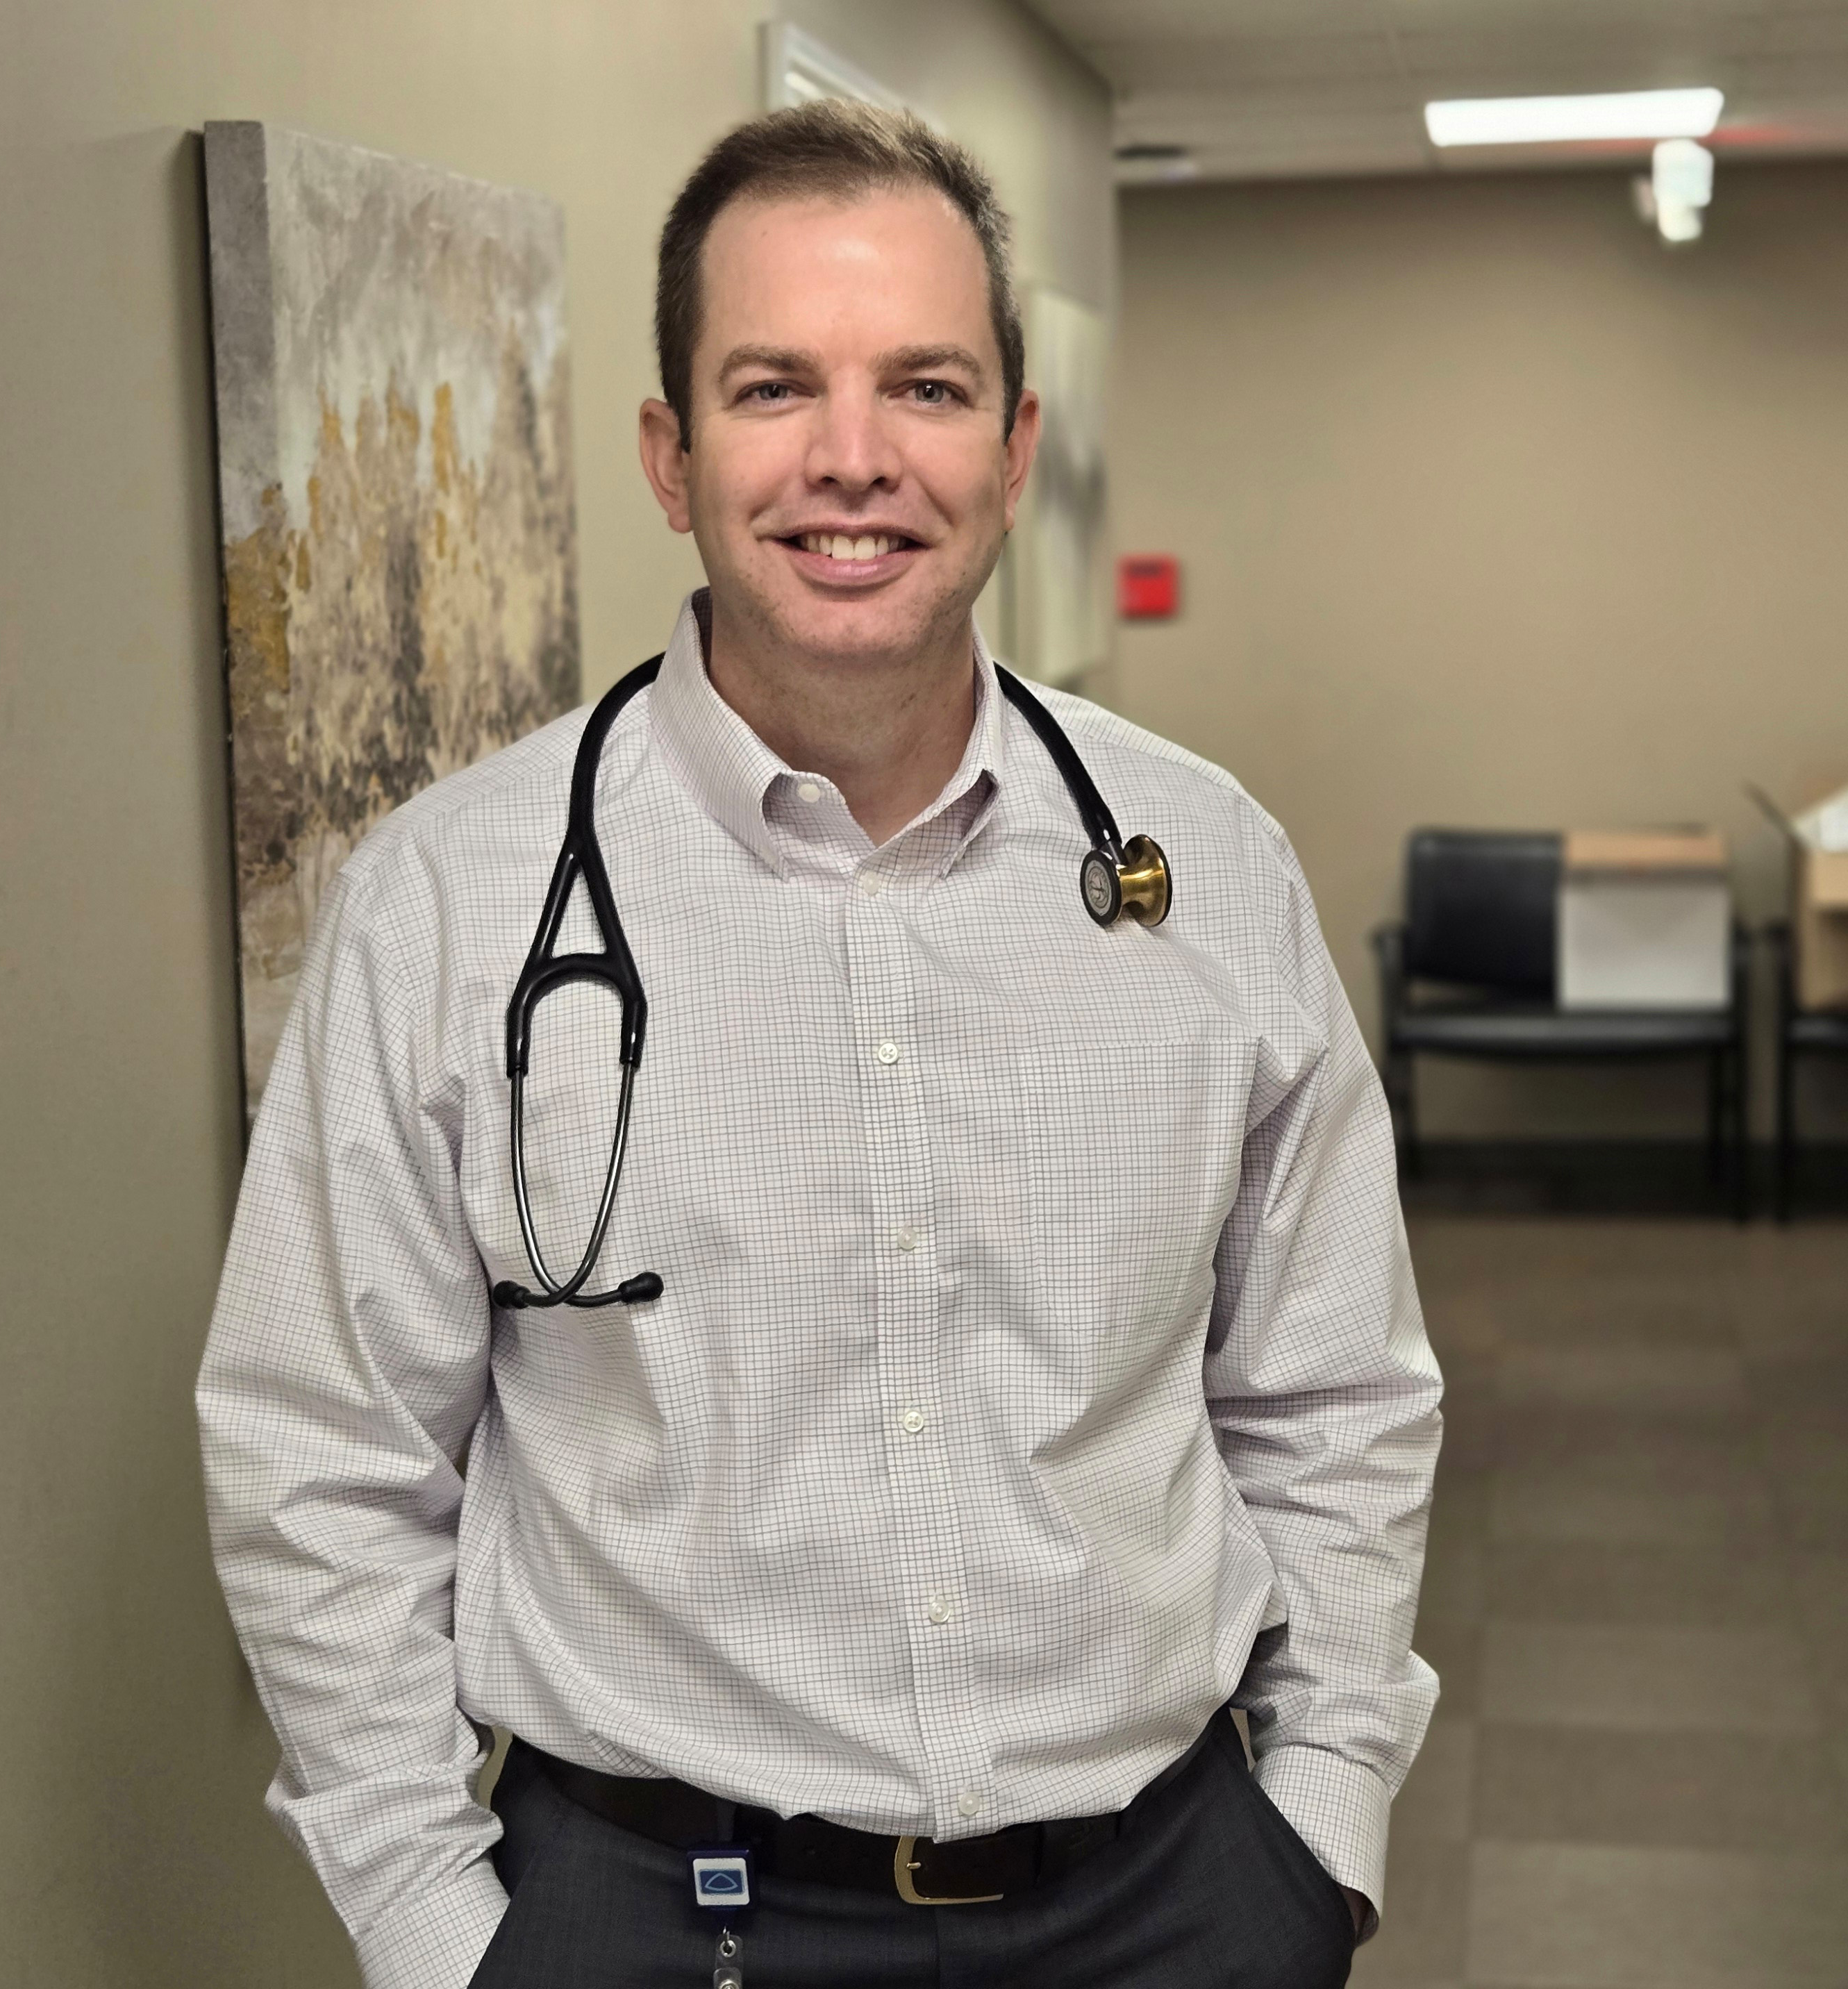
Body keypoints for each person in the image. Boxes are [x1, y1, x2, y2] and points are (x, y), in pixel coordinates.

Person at [199, 100, 1442, 1989]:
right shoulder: (448, 905)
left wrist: (1319, 1827)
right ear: (670, 456)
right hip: (660, 1916)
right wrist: (444, 1930)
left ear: (1014, 449)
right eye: (773, 387)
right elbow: (321, 1456)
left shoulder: (1208, 874)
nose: (852, 459)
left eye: (925, 388)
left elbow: (1334, 1395)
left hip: (1170, 1903)